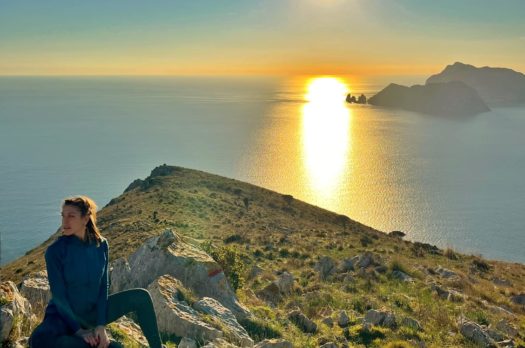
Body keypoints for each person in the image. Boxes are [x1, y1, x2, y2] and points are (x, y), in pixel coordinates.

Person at [29, 196, 165, 348]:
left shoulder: (101, 245)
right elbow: (59, 296)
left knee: (141, 296)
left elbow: (103, 288)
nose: (65, 221)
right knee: (38, 340)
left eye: (71, 216)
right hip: (62, 318)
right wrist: (78, 331)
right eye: (63, 216)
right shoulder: (55, 251)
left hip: (92, 314)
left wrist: (101, 325)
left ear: (85, 219)